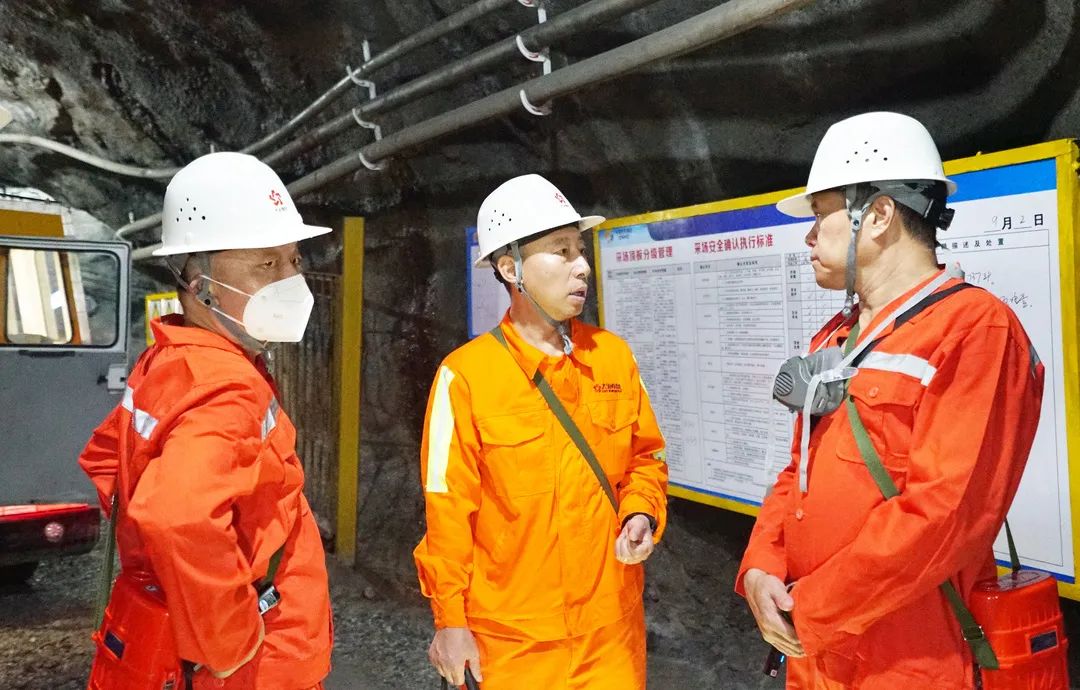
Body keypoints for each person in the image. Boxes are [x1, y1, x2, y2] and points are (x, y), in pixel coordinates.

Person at [737, 112, 1045, 689]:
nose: (809, 236)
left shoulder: (975, 329)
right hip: (813, 652)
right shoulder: (837, 337)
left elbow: (943, 516)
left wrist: (813, 608)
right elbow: (798, 471)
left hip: (909, 659)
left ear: (877, 215)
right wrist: (761, 566)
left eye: (821, 214)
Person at [80, 152, 333, 689]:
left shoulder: (168, 361)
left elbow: (108, 463)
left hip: (178, 637)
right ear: (199, 283)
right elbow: (177, 516)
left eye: (293, 259)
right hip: (254, 667)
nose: (291, 279)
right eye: (266, 265)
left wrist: (156, 570)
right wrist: (229, 641)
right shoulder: (227, 388)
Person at [414, 174, 669, 689]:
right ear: (511, 268)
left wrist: (641, 512)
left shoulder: (612, 356)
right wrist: (450, 620)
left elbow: (646, 458)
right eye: (561, 250)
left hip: (611, 632)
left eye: (580, 249)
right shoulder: (465, 376)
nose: (582, 266)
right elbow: (447, 511)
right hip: (513, 642)